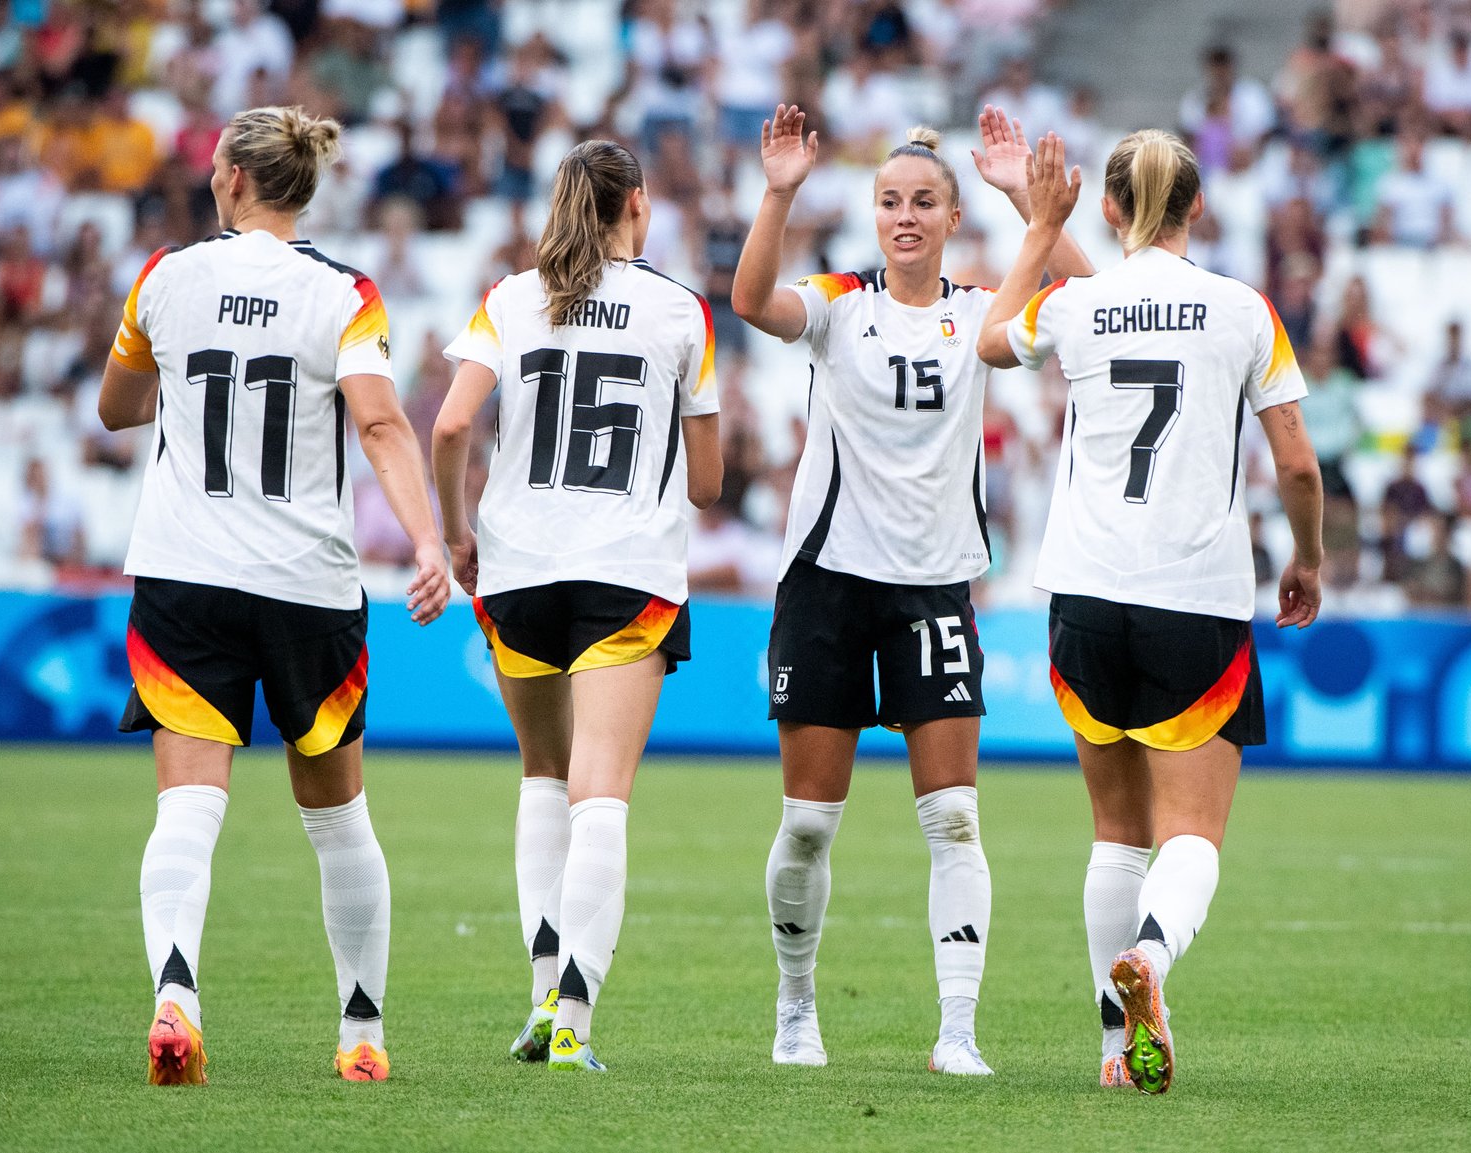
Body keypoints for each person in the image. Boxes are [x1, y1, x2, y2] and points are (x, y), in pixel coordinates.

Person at [729, 104, 1093, 1075]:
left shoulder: (981, 309)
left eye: (922, 201)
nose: (903, 215)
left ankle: (956, 1030)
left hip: (933, 590)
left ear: (948, 217)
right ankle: (795, 1007)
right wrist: (777, 193)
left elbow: (1104, 300)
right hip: (827, 587)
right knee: (806, 823)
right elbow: (751, 298)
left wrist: (1033, 205)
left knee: (954, 816)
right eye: (889, 200)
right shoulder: (835, 302)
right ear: (873, 214)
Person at [97, 106, 451, 1087]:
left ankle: (176, 995)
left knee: (188, 804)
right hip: (306, 584)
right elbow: (380, 425)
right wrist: (426, 539)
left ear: (231, 180)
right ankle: (360, 1029)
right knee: (338, 817)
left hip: (185, 574)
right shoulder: (342, 293)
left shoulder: (165, 278)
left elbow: (116, 408)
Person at [976, 130, 1323, 1093]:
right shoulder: (1244, 311)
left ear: (1113, 209)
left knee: (1115, 832)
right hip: (1195, 597)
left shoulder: (1079, 305)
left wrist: (1035, 224)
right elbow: (1295, 461)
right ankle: (1154, 963)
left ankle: (1111, 1051)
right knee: (1191, 836)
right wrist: (1311, 557)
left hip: (1084, 594)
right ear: (1197, 207)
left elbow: (993, 337)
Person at [430, 139, 722, 1074]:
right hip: (625, 569)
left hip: (517, 567)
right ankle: (574, 1023)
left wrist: (456, 533)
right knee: (603, 793)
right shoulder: (679, 309)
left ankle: (537, 994)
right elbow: (709, 484)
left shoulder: (511, 297)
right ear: (636, 203)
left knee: (542, 777)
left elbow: (448, 424)